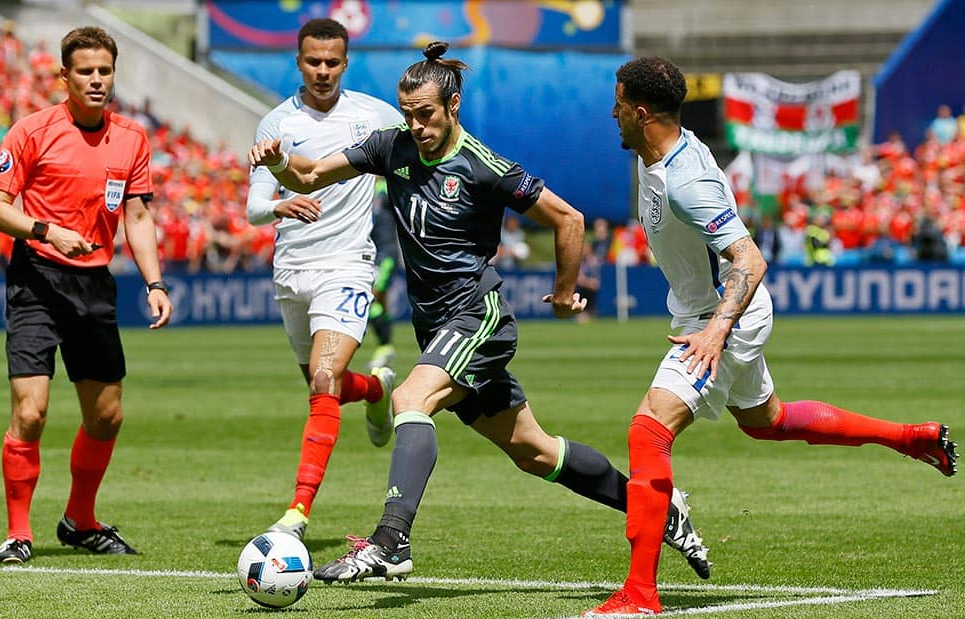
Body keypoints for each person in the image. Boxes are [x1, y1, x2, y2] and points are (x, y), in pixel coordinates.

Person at [250, 41, 711, 585]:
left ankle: (390, 541)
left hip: (477, 316)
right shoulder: (389, 148)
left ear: (453, 107)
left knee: (409, 397)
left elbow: (568, 219)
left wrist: (564, 293)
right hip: (438, 328)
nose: (416, 126)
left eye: (426, 115)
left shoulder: (482, 167)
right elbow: (308, 176)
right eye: (408, 115)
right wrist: (279, 160)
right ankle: (659, 509)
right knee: (535, 452)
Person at [586, 56, 958, 617]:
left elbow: (749, 257)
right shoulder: (655, 154)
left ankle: (639, 595)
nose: (610, 114)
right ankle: (910, 436)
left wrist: (715, 330)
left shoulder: (686, 181)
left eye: (617, 104)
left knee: (647, 433)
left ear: (640, 114)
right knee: (770, 421)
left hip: (722, 318)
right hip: (720, 313)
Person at [0, 26, 173, 564]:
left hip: (94, 283)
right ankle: (19, 534)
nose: (96, 80)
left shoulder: (132, 137)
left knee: (106, 416)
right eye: (85, 71)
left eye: (104, 71)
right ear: (63, 76)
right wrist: (46, 230)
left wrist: (156, 282)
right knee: (31, 411)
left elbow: (137, 215)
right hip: (37, 278)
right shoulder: (31, 131)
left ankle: (80, 520)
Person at [244, 18, 403, 542]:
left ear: (345, 63)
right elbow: (251, 210)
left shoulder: (374, 116)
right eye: (313, 61)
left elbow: (420, 150)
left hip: (347, 265)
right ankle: (377, 390)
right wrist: (279, 206)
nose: (323, 71)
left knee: (323, 379)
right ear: (298, 61)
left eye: (332, 62)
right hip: (292, 271)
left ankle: (297, 512)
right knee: (322, 386)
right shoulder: (275, 124)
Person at [366, 178, 398, 370]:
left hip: (385, 254)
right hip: (368, 254)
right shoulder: (364, 188)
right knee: (379, 304)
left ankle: (384, 347)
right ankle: (385, 348)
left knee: (370, 299)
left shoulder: (386, 188)